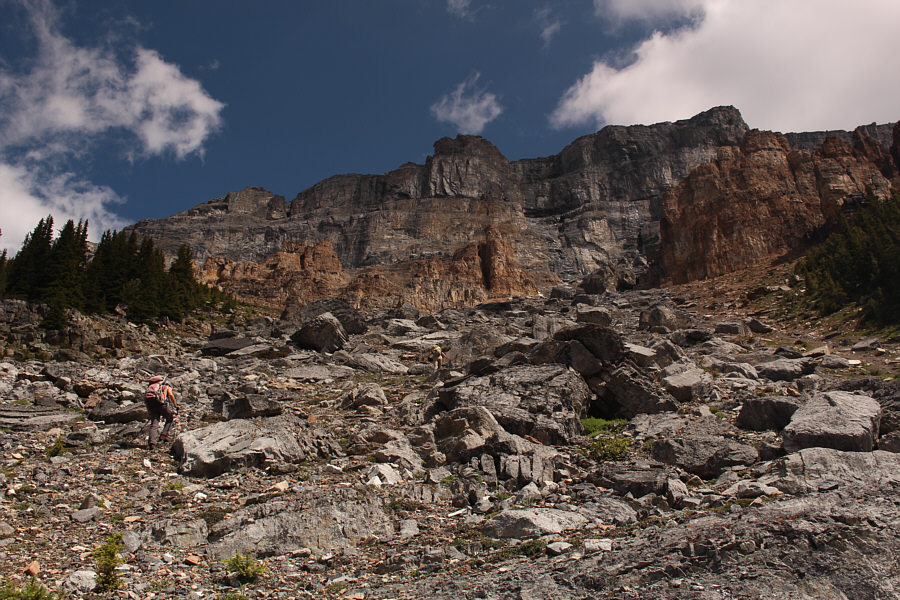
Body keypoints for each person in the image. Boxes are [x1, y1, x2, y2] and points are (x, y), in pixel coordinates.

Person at [145, 375, 178, 450]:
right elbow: (170, 394)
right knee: (170, 418)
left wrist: (149, 411)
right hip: (160, 403)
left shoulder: (152, 386)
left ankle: (152, 443)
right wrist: (176, 405)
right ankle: (164, 435)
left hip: (151, 404)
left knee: (154, 424)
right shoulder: (166, 386)